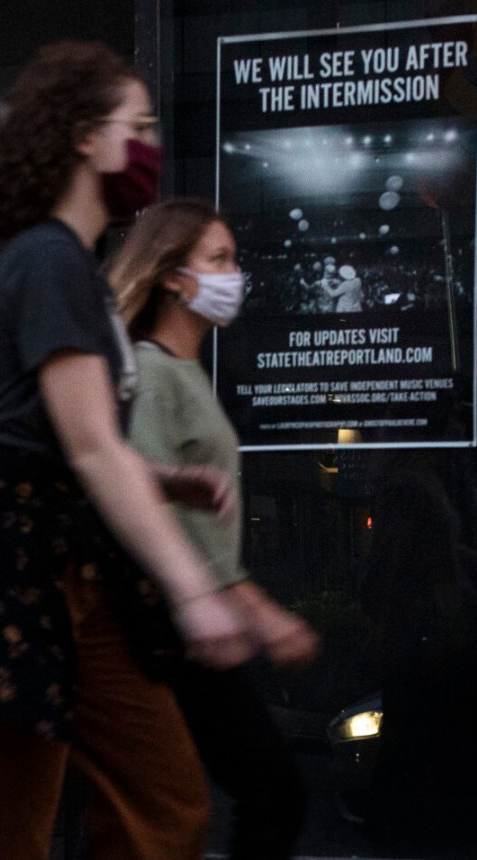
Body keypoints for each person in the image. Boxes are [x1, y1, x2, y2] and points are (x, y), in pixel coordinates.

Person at [0, 43, 255, 860]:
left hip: (73, 564)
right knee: (1, 823)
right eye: (139, 127)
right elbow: (92, 447)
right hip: (16, 569)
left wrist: (161, 478)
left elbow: (72, 443)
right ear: (82, 137)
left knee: (164, 800)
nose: (151, 147)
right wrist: (195, 591)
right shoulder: (48, 262)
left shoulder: (74, 271)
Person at [106, 197, 321, 860]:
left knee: (186, 811)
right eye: (220, 260)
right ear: (173, 277)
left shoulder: (186, 371)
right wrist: (249, 609)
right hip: (174, 630)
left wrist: (252, 609)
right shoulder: (153, 373)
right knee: (264, 798)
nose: (236, 276)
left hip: (196, 627)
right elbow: (149, 507)